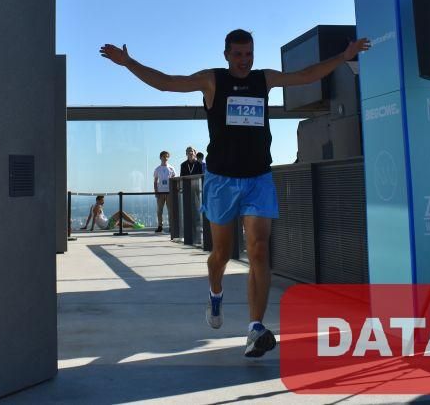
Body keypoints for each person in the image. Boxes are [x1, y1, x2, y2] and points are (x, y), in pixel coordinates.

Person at [101, 28, 370, 357]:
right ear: (226, 55)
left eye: (249, 54)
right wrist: (129, 62)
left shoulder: (263, 79)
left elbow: (305, 75)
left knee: (259, 250)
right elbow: (167, 82)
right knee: (222, 254)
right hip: (221, 181)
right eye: (238, 54)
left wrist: (343, 57)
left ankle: (255, 329)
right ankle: (215, 293)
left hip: (258, 178)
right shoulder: (212, 80)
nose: (244, 60)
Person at [153, 151, 176, 233]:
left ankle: (171, 226)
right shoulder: (157, 169)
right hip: (160, 192)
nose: (165, 158)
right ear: (160, 158)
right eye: (163, 156)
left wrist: (174, 192)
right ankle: (160, 226)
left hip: (169, 192)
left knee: (170, 210)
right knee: (159, 210)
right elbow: (155, 181)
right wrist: (156, 192)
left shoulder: (171, 168)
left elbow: (174, 180)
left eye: (167, 156)